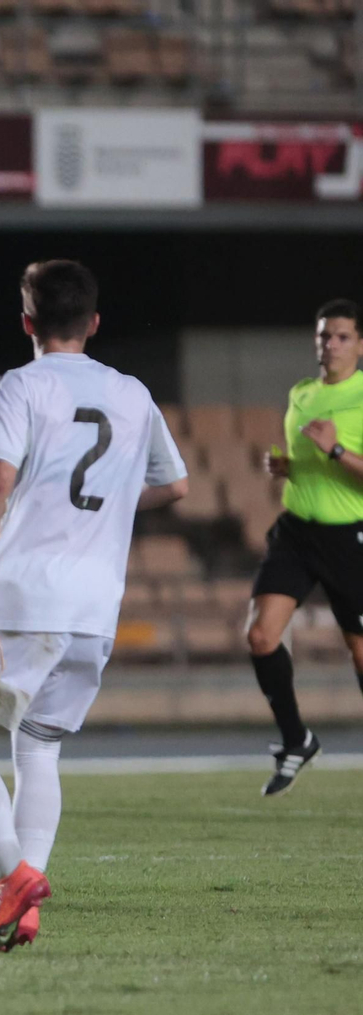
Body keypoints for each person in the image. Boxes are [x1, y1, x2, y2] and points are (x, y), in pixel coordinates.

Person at [0, 260, 188, 954]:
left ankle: (13, 876)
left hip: (24, 598)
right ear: (95, 322)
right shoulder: (132, 392)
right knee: (38, 745)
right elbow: (175, 485)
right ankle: (25, 906)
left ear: (27, 321)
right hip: (94, 608)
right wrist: (112, 504)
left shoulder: (23, 384)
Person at [247, 299, 363, 796]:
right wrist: (288, 468)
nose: (330, 344)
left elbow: (341, 463)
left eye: (341, 336)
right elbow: (308, 463)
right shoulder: (301, 393)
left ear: (360, 344)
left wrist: (336, 449)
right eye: (323, 336)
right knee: (260, 636)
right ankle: (297, 740)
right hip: (296, 532)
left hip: (349, 536)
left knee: (360, 653)